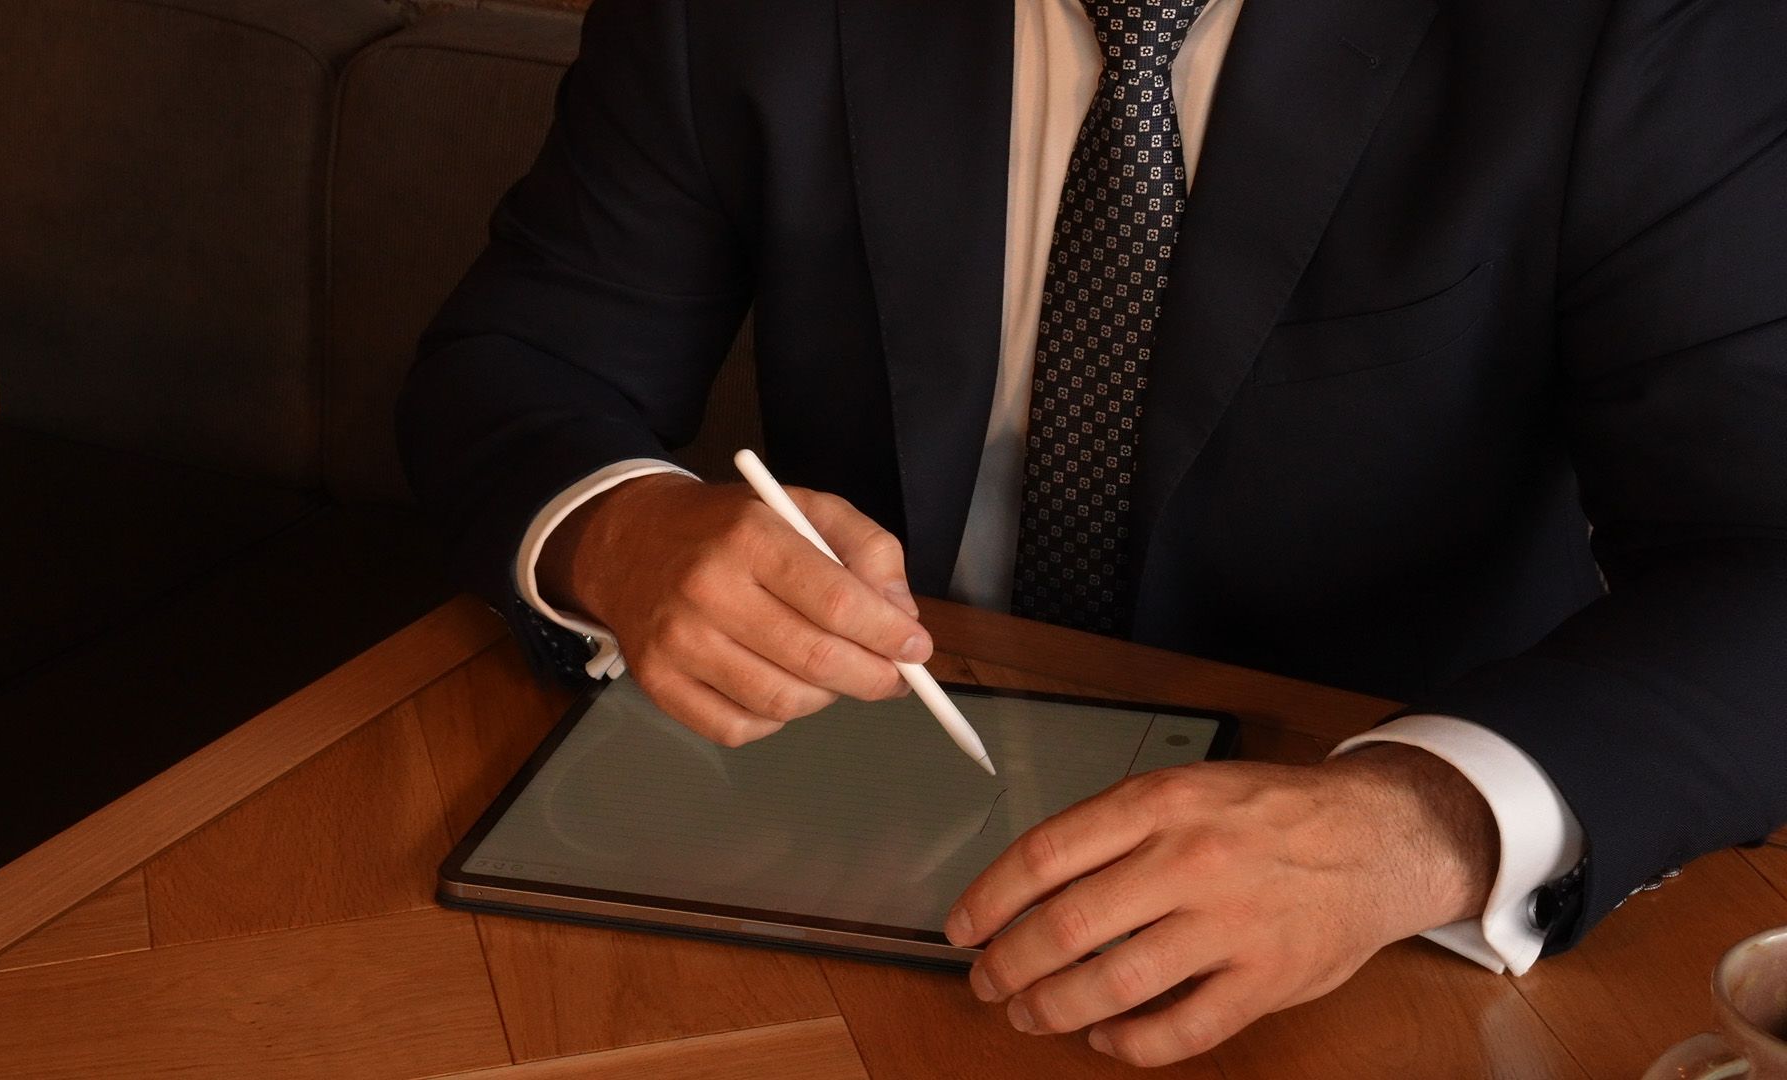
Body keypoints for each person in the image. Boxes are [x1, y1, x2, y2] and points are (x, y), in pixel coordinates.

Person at [398, 0, 1787, 1066]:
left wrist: (1420, 826)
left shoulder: (1635, 30)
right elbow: (518, 365)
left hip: (1381, 922)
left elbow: (1763, 558)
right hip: (843, 830)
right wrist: (626, 533)